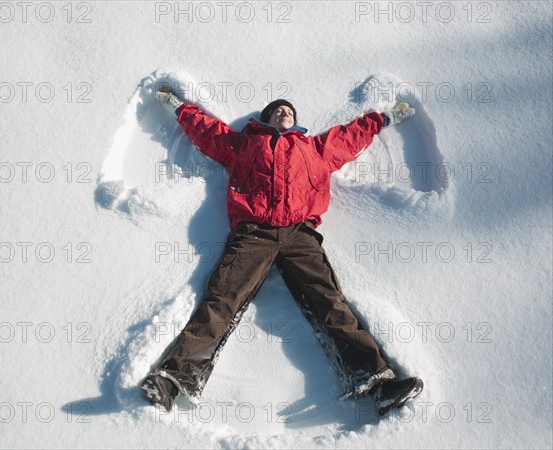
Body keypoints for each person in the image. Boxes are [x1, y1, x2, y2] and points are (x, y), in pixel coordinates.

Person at [140, 87, 423, 414]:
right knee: (222, 298)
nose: (283, 113)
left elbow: (350, 136)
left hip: (300, 234)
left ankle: (378, 383)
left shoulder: (315, 148)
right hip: (253, 232)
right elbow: (209, 133)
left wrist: (385, 118)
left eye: (288, 111)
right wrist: (179, 108)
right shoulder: (245, 143)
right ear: (265, 120)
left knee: (329, 302)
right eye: (277, 111)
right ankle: (172, 381)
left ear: (296, 121)